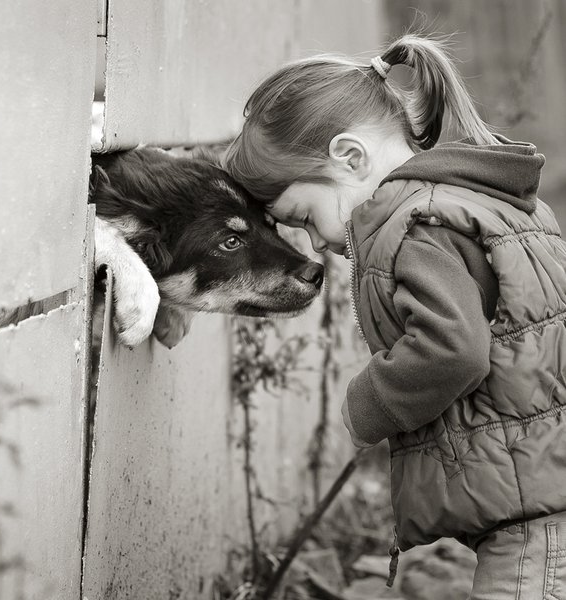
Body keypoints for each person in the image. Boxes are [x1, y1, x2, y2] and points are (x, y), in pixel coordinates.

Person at [217, 34, 566, 599]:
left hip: (541, 510)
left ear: (351, 157)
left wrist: (369, 403)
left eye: (304, 215)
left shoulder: (416, 227)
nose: (313, 240)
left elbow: (454, 348)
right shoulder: (471, 200)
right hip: (542, 482)